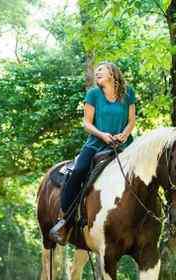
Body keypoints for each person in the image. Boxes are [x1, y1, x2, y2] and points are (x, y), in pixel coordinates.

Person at [49, 62, 137, 245]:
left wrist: (124, 134)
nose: (97, 73)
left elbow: (131, 120)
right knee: (78, 171)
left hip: (123, 145)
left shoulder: (128, 93)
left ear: (112, 74)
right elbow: (86, 123)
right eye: (96, 71)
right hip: (97, 144)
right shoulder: (93, 94)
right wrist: (102, 135)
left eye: (101, 71)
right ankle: (64, 220)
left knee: (145, 172)